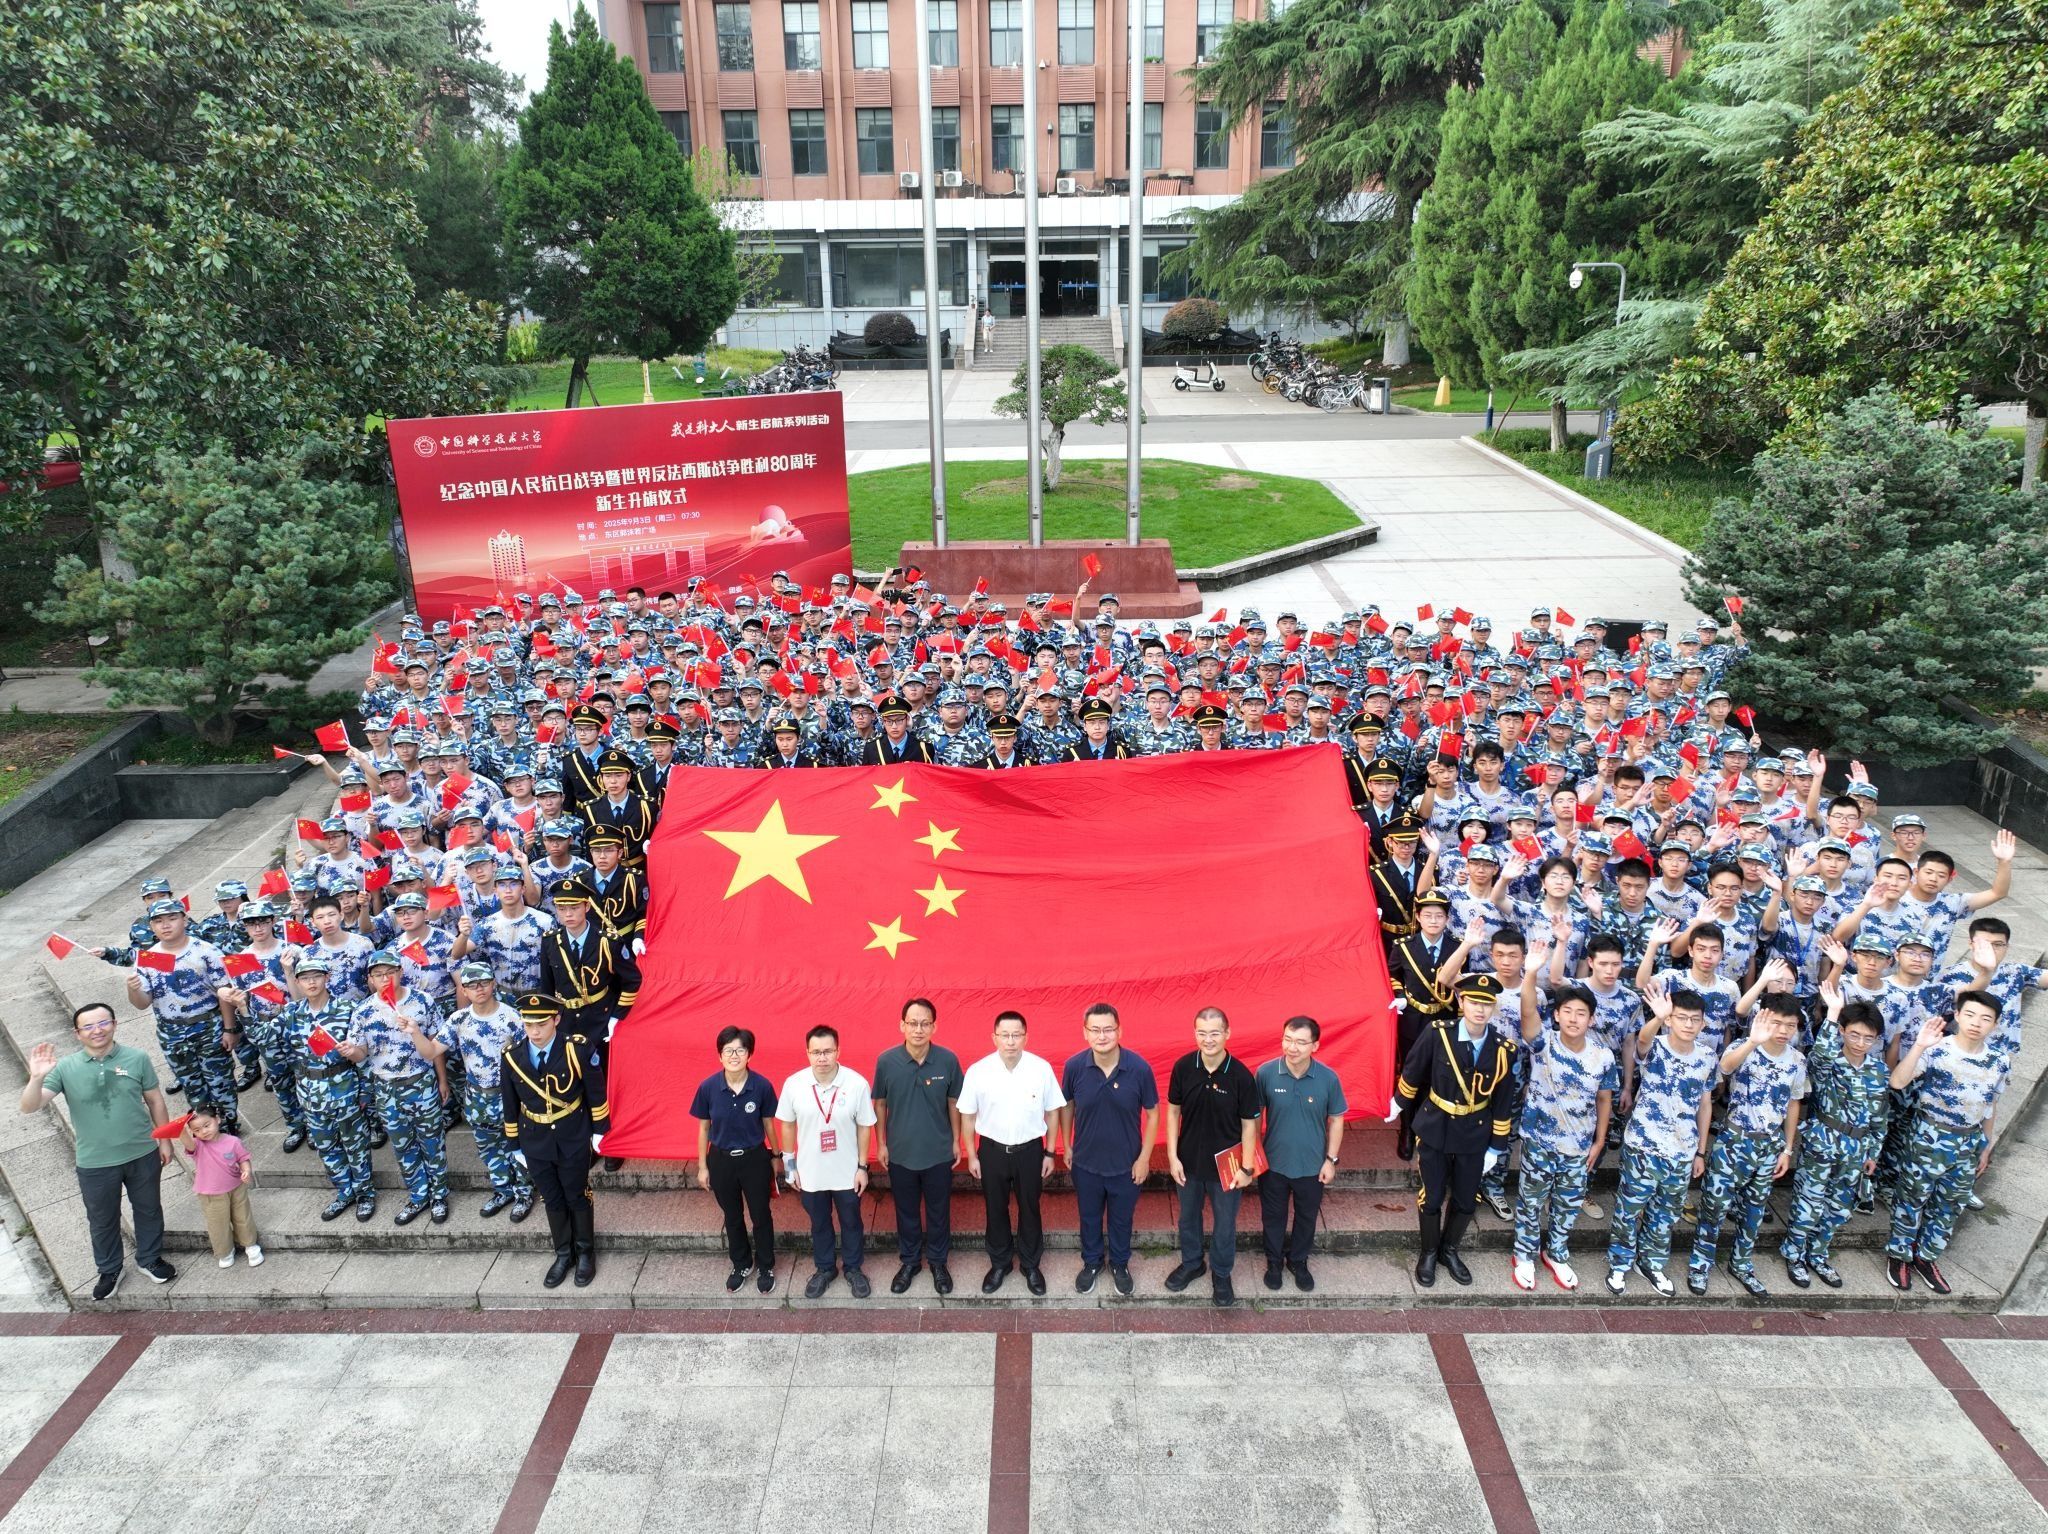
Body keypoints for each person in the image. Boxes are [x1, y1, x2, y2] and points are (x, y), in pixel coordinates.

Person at [18, 1004, 177, 1301]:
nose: (97, 1030)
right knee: (102, 1219)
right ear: (77, 1033)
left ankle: (150, 1259)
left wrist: (165, 1141)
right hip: (95, 1161)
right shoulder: (65, 1067)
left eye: (103, 1023)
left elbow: (155, 1101)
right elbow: (30, 1106)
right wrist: (36, 1078)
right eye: (88, 1027)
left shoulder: (137, 1058)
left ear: (114, 1024)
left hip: (142, 1151)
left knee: (149, 1209)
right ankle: (110, 1269)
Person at [1885, 991, 2010, 1295]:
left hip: (1968, 1141)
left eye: (1985, 1019)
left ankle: (1926, 1257)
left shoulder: (1999, 1060)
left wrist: (1987, 1144)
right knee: (1911, 1199)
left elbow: (1990, 1104)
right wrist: (1919, 1046)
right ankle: (1899, 1256)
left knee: (1950, 1205)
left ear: (1995, 1025)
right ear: (1957, 1015)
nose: (1976, 1023)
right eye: (1970, 1015)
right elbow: (1897, 1081)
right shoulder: (1937, 1049)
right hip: (1929, 1135)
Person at [1394, 975, 1515, 1288]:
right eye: (1473, 1001)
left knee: (1466, 1198)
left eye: (1486, 1004)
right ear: (1461, 1001)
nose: (1479, 1009)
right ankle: (1429, 1252)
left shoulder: (1504, 1049)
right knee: (1432, 1195)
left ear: (1494, 1007)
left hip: (1474, 1133)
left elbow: (1503, 1102)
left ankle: (1449, 1250)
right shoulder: (1438, 1033)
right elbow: (1413, 1069)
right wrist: (1399, 1102)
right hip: (1436, 1126)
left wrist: (1496, 1146)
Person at [1686, 994, 1807, 1297]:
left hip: (1769, 1145)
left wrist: (1788, 1148)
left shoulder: (1797, 1060)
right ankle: (1701, 1264)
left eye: (1790, 1025)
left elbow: (1794, 1103)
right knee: (1714, 1208)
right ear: (1762, 1019)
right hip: (1734, 1141)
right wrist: (1753, 1040)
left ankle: (1741, 1264)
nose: (1783, 1030)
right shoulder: (1744, 1047)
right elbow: (1724, 1069)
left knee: (1754, 1212)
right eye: (1776, 1023)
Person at [1604, 987, 1718, 1298]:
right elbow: (1640, 1042)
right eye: (1681, 1018)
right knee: (1629, 1210)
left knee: (1666, 1215)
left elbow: (1705, 1105)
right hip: (1644, 1145)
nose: (1688, 1024)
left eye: (1695, 1019)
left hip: (1681, 1151)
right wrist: (1657, 1017)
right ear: (1670, 1020)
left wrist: (1700, 1152)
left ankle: (1651, 1263)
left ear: (1703, 1023)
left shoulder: (1707, 1056)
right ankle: (1619, 1263)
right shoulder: (1656, 1045)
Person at [1509, 979, 1616, 1292]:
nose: (1573, 1018)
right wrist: (1531, 972)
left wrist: (1599, 1141)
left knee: (1568, 1206)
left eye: (1581, 1013)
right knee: (1531, 1202)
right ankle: (1524, 1254)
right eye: (1567, 1011)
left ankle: (1555, 1253)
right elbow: (1527, 1011)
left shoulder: (1603, 1056)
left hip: (1578, 1146)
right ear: (1556, 1015)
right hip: (1539, 1142)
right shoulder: (1543, 1043)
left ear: (1591, 1019)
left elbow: (1604, 1099)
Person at [500, 991, 609, 1288]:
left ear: (556, 1020)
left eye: (541, 1024)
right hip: (534, 1138)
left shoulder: (576, 1048)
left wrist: (599, 1130)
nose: (534, 1032)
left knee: (577, 1193)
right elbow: (509, 1102)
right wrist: (514, 1144)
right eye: (528, 1025)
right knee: (551, 1196)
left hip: (572, 1134)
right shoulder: (512, 1055)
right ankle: (563, 1253)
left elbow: (595, 1091)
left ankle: (585, 1252)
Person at [1781, 989, 1888, 1290]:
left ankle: (1818, 1254)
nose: (1861, 1043)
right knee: (1808, 1202)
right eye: (1854, 1035)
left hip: (1856, 1148)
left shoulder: (1878, 1070)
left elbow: (1880, 1114)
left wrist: (1873, 1152)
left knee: (1838, 1207)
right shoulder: (1830, 1061)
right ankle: (1794, 1254)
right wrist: (1832, 1014)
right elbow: (1818, 1059)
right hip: (1823, 1141)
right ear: (1842, 1031)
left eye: (1868, 1038)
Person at [959, 1011, 1066, 1295]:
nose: (1010, 1041)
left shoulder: (1041, 1068)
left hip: (1030, 1150)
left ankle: (1031, 1264)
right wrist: (971, 1155)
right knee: (995, 1207)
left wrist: (1050, 1152)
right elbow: (968, 1116)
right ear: (994, 1037)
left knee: (1030, 1207)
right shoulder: (978, 1071)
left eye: (1016, 1035)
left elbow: (1053, 1111)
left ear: (1026, 1037)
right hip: (992, 1150)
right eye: (1004, 1035)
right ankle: (1000, 1263)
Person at [1056, 1002, 1159, 1298]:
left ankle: (1120, 1264)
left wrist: (1144, 1158)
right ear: (1085, 1033)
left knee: (1121, 1219)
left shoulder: (1139, 1068)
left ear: (1119, 1031)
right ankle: (1091, 1263)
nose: (1102, 1036)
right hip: (1086, 1162)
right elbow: (1067, 1106)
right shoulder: (1075, 1067)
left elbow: (1153, 1114)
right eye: (1095, 1030)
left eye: (1108, 1029)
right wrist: (1067, 1144)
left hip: (1126, 1164)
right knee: (1088, 1217)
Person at [347, 950, 455, 1226]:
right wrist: (350, 1052)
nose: (385, 979)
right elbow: (360, 1053)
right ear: (370, 979)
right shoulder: (363, 1010)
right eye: (378, 974)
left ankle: (439, 1196)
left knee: (432, 1142)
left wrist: (442, 1080)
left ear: (400, 972)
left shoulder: (422, 1001)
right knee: (402, 1145)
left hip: (421, 1081)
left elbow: (436, 1044)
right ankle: (418, 1195)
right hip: (386, 1088)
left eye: (390, 972)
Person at [1164, 1006, 1263, 1307]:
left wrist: (1247, 1168)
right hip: (1189, 1161)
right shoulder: (1183, 1067)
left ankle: (1221, 1273)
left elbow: (1250, 1125)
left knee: (1224, 1223)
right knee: (1187, 1217)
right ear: (1195, 1034)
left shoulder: (1241, 1075)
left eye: (1215, 1033)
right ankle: (1192, 1263)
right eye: (1202, 1033)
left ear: (1227, 1033)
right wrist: (1172, 1156)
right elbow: (1173, 1112)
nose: (1208, 1039)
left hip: (1227, 1166)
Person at [871, 997, 964, 1295]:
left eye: (925, 1023)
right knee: (906, 1211)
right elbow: (880, 1104)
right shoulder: (887, 1061)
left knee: (939, 1211)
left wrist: (956, 1141)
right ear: (902, 1025)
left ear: (934, 1026)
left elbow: (954, 1102)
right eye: (913, 1023)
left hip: (938, 1151)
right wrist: (881, 1143)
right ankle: (910, 1262)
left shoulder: (948, 1060)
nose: (918, 1029)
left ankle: (938, 1262)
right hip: (900, 1152)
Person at [777, 1024, 877, 1298]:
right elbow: (787, 1125)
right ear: (807, 1053)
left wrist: (862, 1167)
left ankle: (853, 1268)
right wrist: (790, 1165)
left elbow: (865, 1127)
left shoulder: (856, 1084)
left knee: (851, 1221)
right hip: (811, 1172)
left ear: (838, 1051)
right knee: (819, 1222)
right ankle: (825, 1269)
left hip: (847, 1171)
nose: (822, 1058)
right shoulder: (794, 1084)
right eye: (816, 1052)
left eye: (828, 1051)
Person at [1254, 1016, 1347, 1292]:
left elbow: (1337, 1120)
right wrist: (1254, 1153)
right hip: (1274, 1163)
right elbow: (1255, 1116)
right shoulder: (1266, 1073)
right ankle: (1273, 1261)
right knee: (1273, 1216)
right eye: (1288, 1040)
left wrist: (1331, 1160)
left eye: (1301, 1042)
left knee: (1307, 1216)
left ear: (1315, 1046)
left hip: (1312, 1165)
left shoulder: (1328, 1078)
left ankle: (1298, 1261)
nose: (1292, 1047)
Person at [691, 1026, 780, 1294]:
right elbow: (703, 1128)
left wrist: (776, 1156)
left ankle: (765, 1265)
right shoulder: (708, 1087)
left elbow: (769, 1124)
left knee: (761, 1214)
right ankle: (742, 1263)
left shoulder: (761, 1086)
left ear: (749, 1054)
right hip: (721, 1160)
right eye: (728, 1050)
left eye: (740, 1050)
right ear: (720, 1055)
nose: (734, 1055)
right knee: (732, 1216)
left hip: (755, 1159)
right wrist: (703, 1166)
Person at [446, 960, 534, 1221]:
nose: (479, 988)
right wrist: (413, 1031)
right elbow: (432, 1050)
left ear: (493, 983)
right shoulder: (459, 1019)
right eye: (472, 984)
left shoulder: (512, 1017)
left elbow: (528, 1058)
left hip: (509, 1094)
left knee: (518, 1145)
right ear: (463, 990)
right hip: (477, 1096)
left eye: (484, 982)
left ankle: (524, 1192)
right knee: (488, 1147)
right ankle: (502, 1190)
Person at [176, 1102, 262, 1270]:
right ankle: (225, 1251)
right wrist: (180, 1130)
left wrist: (246, 1170)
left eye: (206, 1125)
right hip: (210, 1192)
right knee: (217, 1223)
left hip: (236, 1186)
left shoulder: (233, 1141)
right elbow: (187, 1142)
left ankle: (250, 1245)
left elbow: (243, 1159)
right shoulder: (197, 1145)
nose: (203, 1131)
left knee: (243, 1216)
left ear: (217, 1119)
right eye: (197, 1130)